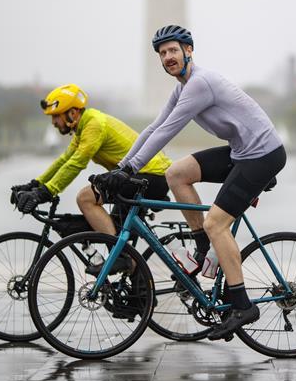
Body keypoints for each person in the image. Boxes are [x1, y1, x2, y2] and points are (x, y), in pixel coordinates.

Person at [102, 25, 286, 340]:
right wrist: (121, 168)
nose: (167, 57)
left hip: (263, 156)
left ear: (189, 51)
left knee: (218, 223)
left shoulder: (201, 83)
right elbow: (152, 127)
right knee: (176, 173)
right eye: (162, 53)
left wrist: (131, 166)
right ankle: (202, 244)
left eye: (173, 50)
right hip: (241, 152)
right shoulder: (182, 88)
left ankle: (242, 305)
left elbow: (167, 131)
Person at [11, 84, 174, 274]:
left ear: (72, 113)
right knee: (116, 230)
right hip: (139, 176)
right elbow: (65, 160)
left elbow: (77, 164)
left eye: (56, 116)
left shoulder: (94, 125)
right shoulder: (84, 126)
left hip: (151, 175)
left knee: (85, 198)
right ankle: (137, 292)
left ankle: (119, 257)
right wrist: (36, 185)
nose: (54, 122)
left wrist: (46, 193)